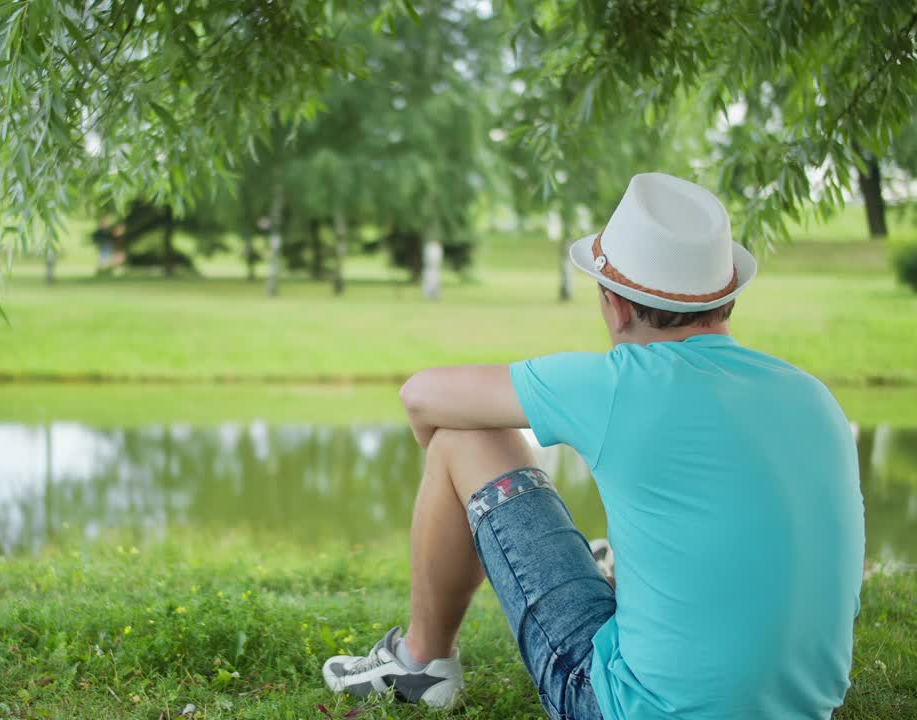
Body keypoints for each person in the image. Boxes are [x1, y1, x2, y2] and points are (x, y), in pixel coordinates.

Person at [322, 173, 865, 719]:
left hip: (628, 710)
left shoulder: (624, 383)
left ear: (616, 304)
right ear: (725, 299)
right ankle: (612, 571)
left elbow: (420, 398)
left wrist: (449, 490)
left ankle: (421, 661)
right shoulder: (811, 396)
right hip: (801, 708)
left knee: (464, 435)